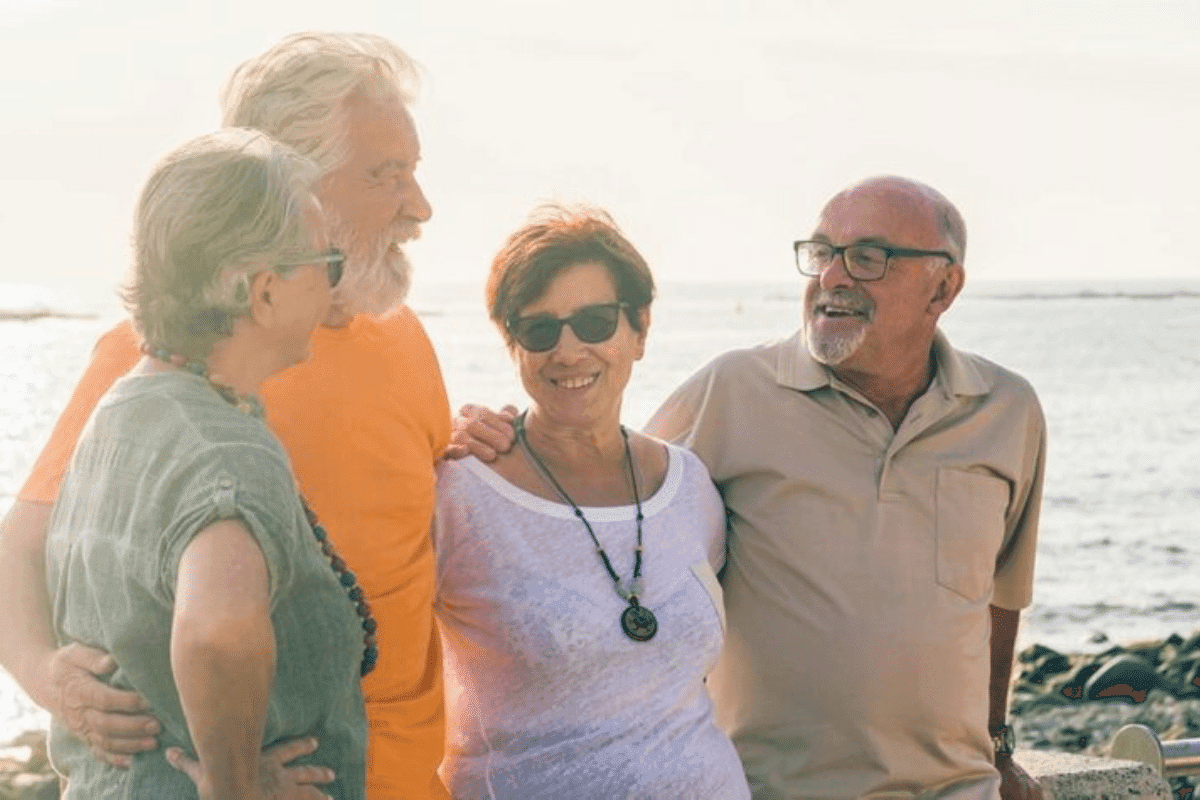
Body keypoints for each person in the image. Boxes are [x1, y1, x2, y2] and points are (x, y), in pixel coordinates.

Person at [451, 176, 1047, 800]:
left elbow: (1002, 595)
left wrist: (998, 746)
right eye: (821, 253)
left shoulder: (1007, 411)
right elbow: (604, 490)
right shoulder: (732, 391)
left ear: (944, 286)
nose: (833, 277)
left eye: (868, 257)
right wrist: (493, 434)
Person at [0, 33, 449, 800]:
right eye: (388, 176)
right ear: (287, 180)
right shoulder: (162, 361)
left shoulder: (405, 341)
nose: (420, 207)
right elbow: (24, 553)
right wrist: (52, 681)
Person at [45, 128, 367, 799]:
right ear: (263, 292)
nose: (336, 286)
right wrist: (235, 788)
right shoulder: (224, 448)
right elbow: (217, 630)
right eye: (326, 262)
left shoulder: (124, 410)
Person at [433, 205, 750, 799]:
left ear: (640, 330)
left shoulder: (690, 487)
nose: (569, 350)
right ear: (513, 346)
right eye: (540, 330)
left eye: (596, 322)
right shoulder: (460, 489)